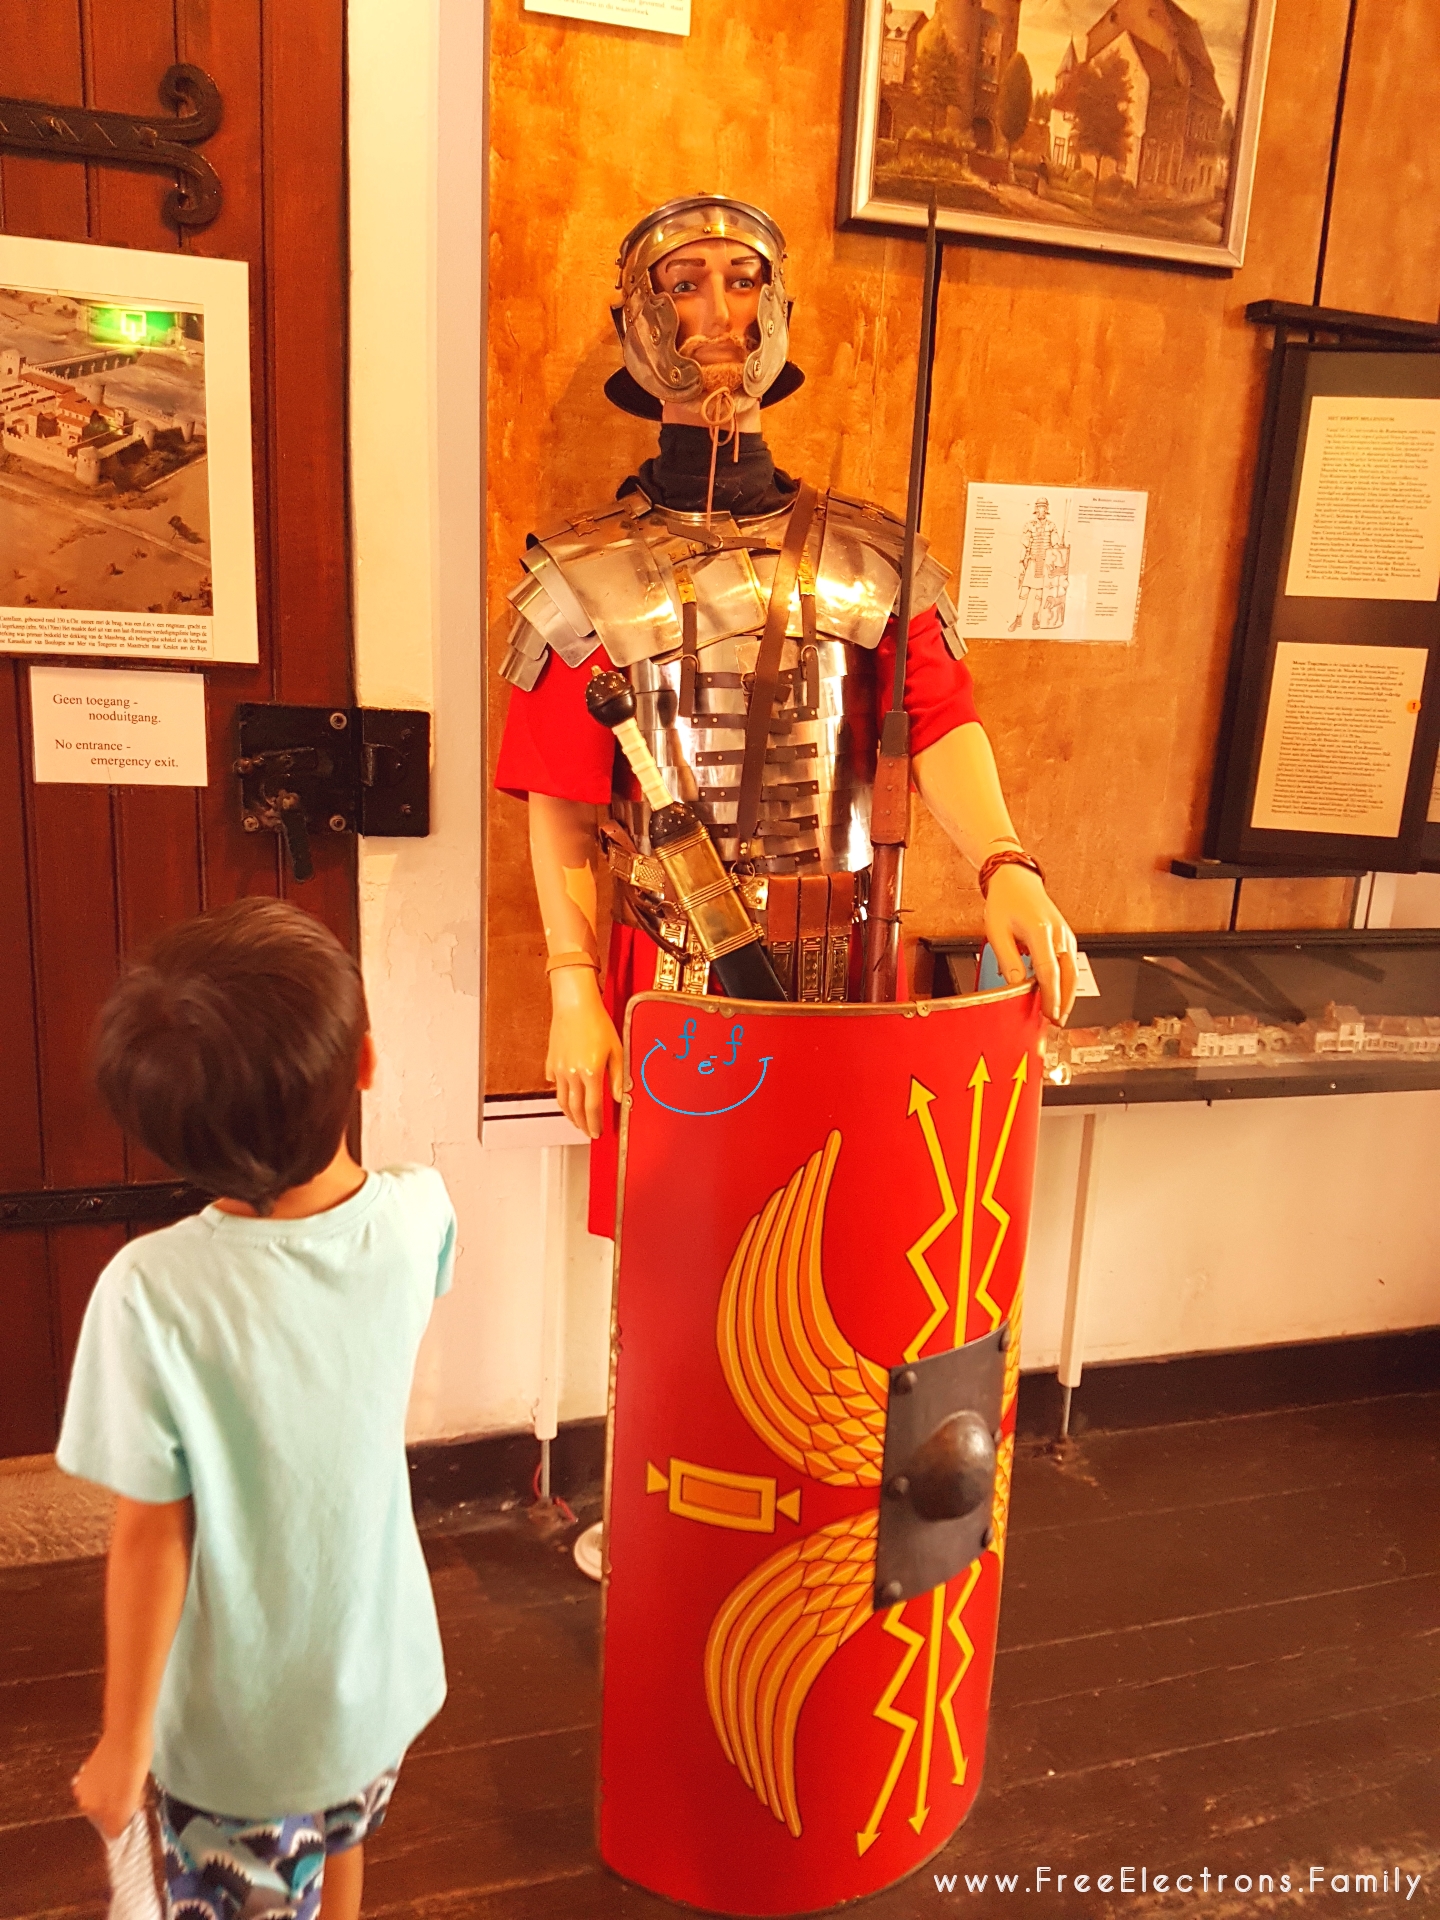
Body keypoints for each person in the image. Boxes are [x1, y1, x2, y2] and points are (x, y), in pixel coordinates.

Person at [495, 195, 1077, 1237]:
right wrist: (572, 986)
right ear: (639, 316)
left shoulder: (875, 556)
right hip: (666, 963)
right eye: (684, 283)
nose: (718, 308)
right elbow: (567, 802)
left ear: (780, 308)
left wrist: (1006, 863)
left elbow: (938, 721)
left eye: (744, 278)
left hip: (849, 960)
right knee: (682, 1246)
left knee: (833, 1234)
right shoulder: (583, 574)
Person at [58, 898, 455, 1920]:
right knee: (341, 1835)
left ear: (162, 1135)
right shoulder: (420, 1219)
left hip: (242, 1741)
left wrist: (122, 1740)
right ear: (364, 1064)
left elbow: (152, 1533)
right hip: (377, 1682)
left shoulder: (151, 1291)